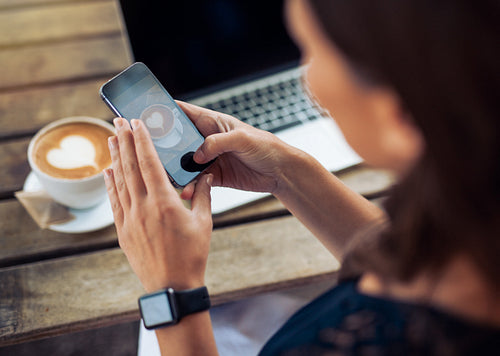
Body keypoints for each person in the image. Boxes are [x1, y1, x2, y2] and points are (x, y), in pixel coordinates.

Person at [103, 0, 500, 354]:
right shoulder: (473, 212)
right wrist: (285, 172)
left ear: (397, 117)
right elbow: (412, 262)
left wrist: (172, 293)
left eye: (310, 52)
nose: (305, 80)